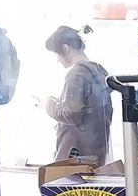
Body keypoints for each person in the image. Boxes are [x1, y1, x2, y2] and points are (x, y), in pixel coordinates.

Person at [42, 25, 112, 164]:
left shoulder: (76, 74)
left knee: (73, 186)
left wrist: (48, 104)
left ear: (65, 48)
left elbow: (71, 115)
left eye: (57, 54)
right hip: (96, 150)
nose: (57, 59)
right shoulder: (98, 71)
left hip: (76, 153)